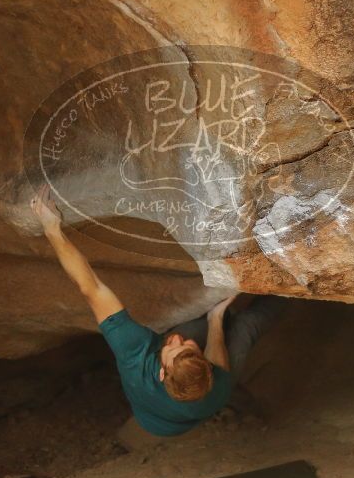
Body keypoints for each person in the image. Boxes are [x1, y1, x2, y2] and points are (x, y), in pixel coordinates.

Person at [30, 184, 285, 436]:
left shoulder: (134, 352)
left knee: (219, 322)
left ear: (162, 372)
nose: (176, 339)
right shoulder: (216, 391)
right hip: (180, 415)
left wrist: (51, 228)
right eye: (186, 345)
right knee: (246, 326)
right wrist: (215, 318)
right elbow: (218, 361)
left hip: (151, 421)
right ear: (208, 368)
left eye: (175, 347)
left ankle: (237, 308)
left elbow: (91, 288)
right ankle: (286, 288)